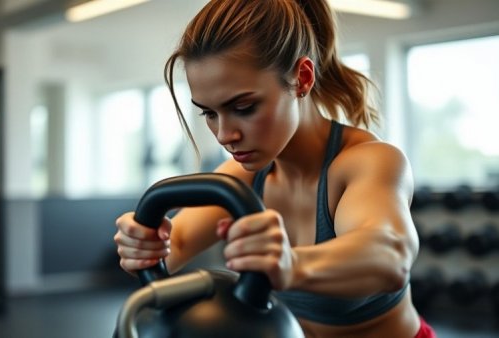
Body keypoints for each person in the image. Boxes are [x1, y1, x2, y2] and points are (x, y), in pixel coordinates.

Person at [114, 0, 436, 337]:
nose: (225, 135)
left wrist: (290, 264)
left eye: (244, 107)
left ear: (302, 79)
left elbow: (390, 253)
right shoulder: (243, 177)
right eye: (209, 113)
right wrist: (142, 241)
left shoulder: (367, 161)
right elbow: (174, 245)